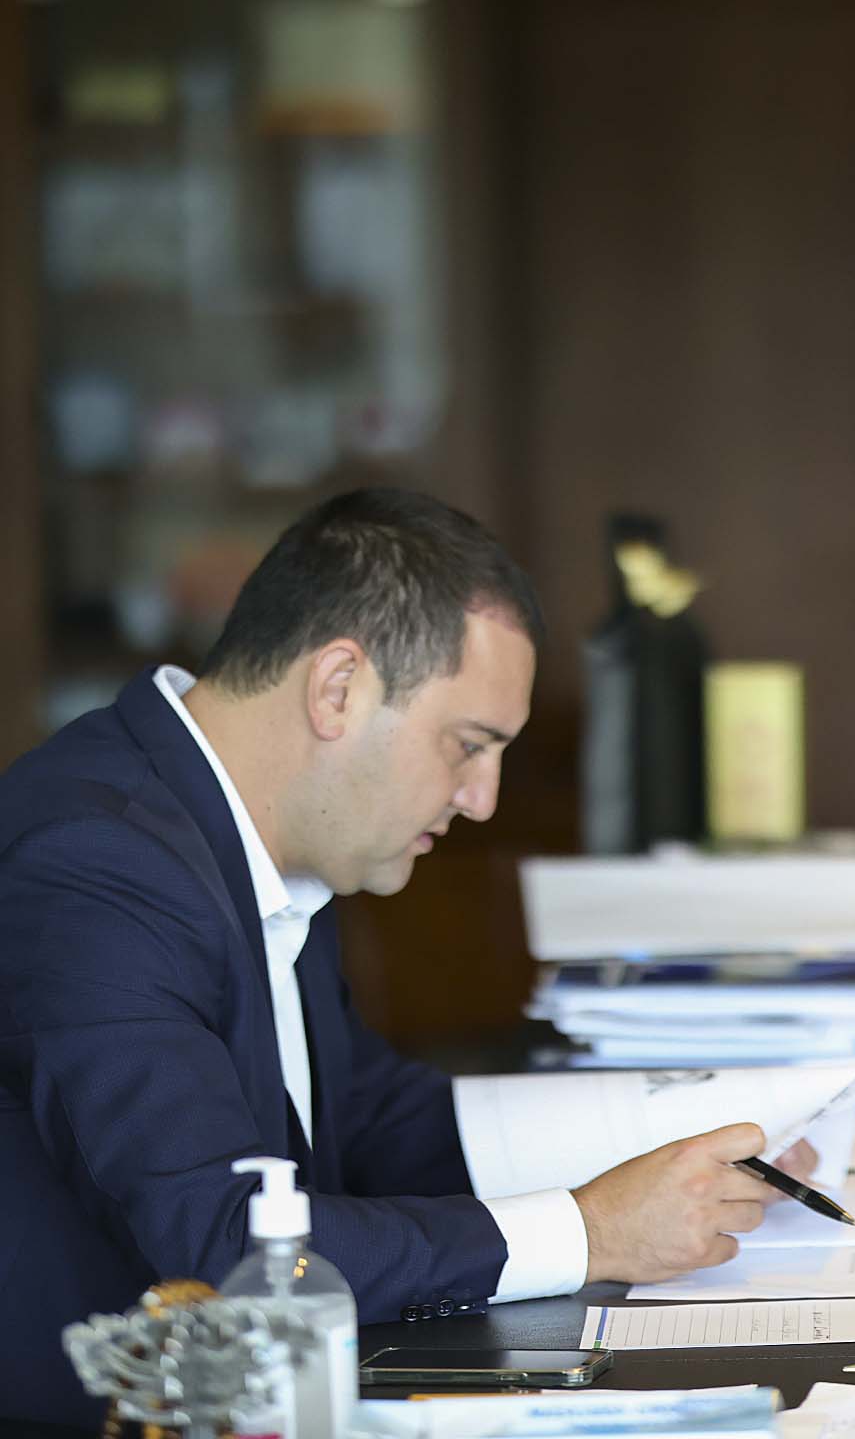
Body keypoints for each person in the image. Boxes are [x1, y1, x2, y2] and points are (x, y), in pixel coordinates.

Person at [0, 488, 807, 1424]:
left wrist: (691, 1128)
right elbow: (226, 1242)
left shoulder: (270, 829)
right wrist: (591, 1232)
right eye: (468, 746)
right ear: (339, 689)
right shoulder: (96, 863)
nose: (483, 800)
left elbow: (369, 1119)